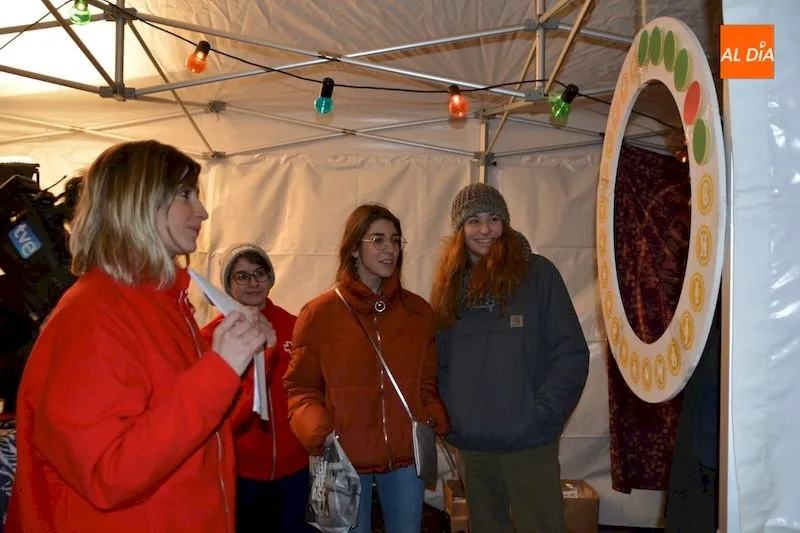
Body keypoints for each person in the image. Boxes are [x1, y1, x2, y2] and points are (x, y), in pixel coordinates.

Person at [6, 140, 274, 533]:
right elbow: (108, 472)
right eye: (185, 195)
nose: (202, 211)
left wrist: (246, 364)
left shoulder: (165, 305)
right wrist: (220, 369)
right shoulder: (93, 315)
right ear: (139, 202)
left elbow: (201, 431)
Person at [430, 182, 589, 533]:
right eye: (473, 220)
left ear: (505, 223)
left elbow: (570, 353)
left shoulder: (538, 274)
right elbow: (438, 362)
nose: (485, 229)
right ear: (460, 229)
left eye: (493, 218)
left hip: (529, 443)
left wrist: (542, 415)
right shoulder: (448, 286)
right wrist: (453, 418)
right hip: (474, 447)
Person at [284, 203, 451, 533]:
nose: (390, 249)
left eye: (395, 240)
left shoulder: (418, 312)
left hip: (404, 455)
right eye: (378, 240)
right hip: (343, 457)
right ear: (354, 249)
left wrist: (430, 418)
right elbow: (301, 389)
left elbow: (427, 380)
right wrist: (322, 432)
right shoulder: (319, 314)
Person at [200, 243, 314, 533]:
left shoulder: (296, 327)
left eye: (259, 273)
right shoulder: (212, 337)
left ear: (270, 278)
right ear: (228, 285)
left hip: (295, 469)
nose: (252, 283)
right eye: (242, 276)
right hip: (242, 472)